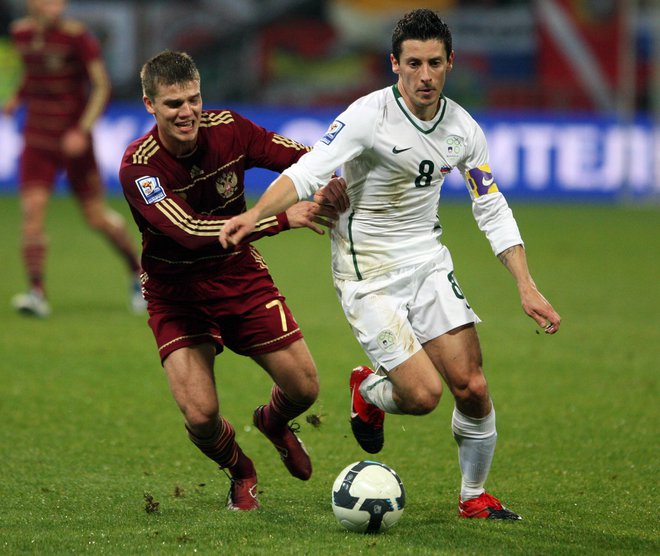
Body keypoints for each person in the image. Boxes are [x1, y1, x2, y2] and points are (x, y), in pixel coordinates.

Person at [220, 9, 561, 520]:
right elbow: (308, 171)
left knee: (472, 386)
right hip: (367, 275)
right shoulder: (367, 117)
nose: (425, 75)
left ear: (450, 64)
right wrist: (254, 214)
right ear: (395, 66)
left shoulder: (464, 129)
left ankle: (474, 497)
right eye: (414, 64)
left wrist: (526, 284)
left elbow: (490, 204)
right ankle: (369, 391)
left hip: (427, 261)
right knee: (423, 396)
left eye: (435, 64)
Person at [119, 50, 348, 511]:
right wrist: (278, 219)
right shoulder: (138, 166)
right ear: (150, 105)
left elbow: (301, 158)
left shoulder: (231, 129)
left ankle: (272, 421)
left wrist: (329, 178)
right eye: (173, 104)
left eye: (193, 99)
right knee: (201, 415)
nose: (187, 113)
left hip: (237, 276)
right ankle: (241, 470)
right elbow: (188, 232)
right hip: (174, 293)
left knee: (304, 388)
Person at [4, 0, 145, 317]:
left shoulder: (77, 37)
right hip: (37, 138)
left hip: (73, 140)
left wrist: (82, 130)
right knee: (32, 212)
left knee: (95, 216)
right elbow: (31, 73)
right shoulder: (21, 34)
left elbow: (101, 85)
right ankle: (36, 292)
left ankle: (138, 273)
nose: (58, 4)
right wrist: (17, 97)